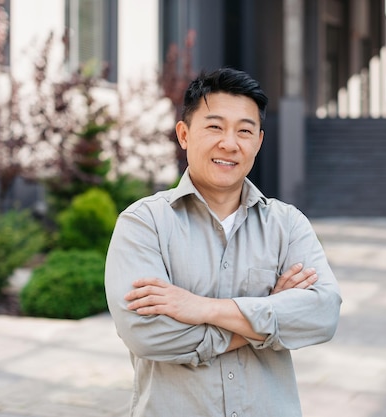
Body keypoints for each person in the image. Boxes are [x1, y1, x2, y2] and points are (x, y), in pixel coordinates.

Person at [105, 67, 342, 417]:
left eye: (244, 131)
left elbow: (322, 314)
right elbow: (146, 333)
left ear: (258, 142)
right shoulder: (144, 223)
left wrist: (202, 308)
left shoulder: (287, 224)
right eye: (214, 127)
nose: (229, 143)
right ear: (184, 134)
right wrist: (267, 314)